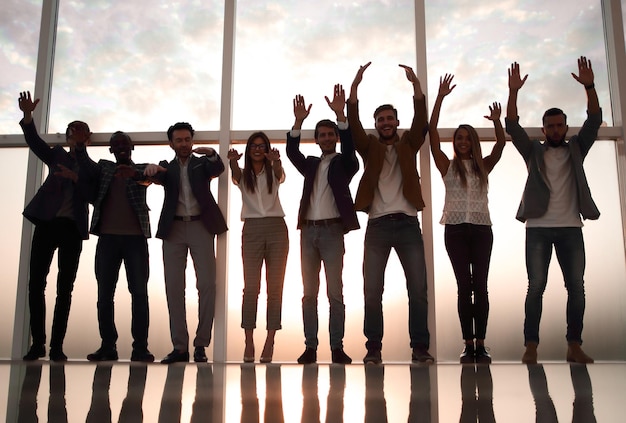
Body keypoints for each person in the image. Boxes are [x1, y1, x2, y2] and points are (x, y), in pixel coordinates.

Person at [506, 56, 601, 364]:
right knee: (536, 287)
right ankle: (530, 345)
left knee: (576, 287)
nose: (556, 130)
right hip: (537, 228)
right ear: (544, 130)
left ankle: (574, 344)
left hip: (572, 227)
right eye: (550, 126)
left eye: (560, 125)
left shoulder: (576, 147)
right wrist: (513, 92)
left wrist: (589, 86)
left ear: (565, 127)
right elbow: (511, 126)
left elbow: (595, 120)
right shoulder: (533, 150)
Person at [347, 62, 432, 364]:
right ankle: (373, 349)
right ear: (377, 124)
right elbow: (354, 124)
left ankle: (420, 348)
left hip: (408, 224)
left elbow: (422, 119)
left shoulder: (409, 143)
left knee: (418, 290)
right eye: (381, 119)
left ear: (396, 121)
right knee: (372, 290)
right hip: (378, 226)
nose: (385, 122)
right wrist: (355, 87)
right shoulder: (369, 147)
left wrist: (416, 87)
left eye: (389, 118)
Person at [429, 74, 505, 364]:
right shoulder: (446, 166)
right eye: (458, 138)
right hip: (456, 230)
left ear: (473, 142)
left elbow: (500, 145)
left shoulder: (483, 167)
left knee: (481, 286)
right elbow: (432, 132)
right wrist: (439, 98)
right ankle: (467, 343)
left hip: (482, 230)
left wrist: (497, 120)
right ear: (455, 142)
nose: (462, 142)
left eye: (466, 138)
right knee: (464, 286)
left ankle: (481, 345)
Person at [286, 84, 360, 364]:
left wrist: (342, 116)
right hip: (308, 231)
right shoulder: (311, 165)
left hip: (332, 231)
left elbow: (352, 150)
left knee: (335, 292)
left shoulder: (345, 163)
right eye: (322, 135)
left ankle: (337, 347)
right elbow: (293, 154)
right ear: (316, 139)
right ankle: (310, 347)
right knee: (308, 294)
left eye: (331, 134)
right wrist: (298, 122)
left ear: (336, 138)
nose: (327, 138)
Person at [144, 122, 228, 363]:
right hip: (174, 230)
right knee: (174, 289)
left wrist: (212, 153)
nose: (184, 144)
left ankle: (201, 345)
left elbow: (218, 167)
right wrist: (149, 169)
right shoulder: (166, 168)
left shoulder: (202, 164)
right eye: (179, 140)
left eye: (187, 139)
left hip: (201, 226)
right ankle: (180, 347)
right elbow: (149, 176)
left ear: (192, 141)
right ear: (171, 143)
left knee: (208, 286)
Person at [18, 91, 91, 361]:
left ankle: (57, 347)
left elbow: (93, 194)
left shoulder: (90, 167)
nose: (77, 136)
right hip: (47, 225)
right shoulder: (57, 156)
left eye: (81, 133)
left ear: (88, 138)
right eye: (72, 133)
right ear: (67, 138)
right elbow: (35, 143)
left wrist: (76, 177)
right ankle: (38, 343)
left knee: (65, 288)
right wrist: (28, 116)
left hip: (72, 229)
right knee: (36, 283)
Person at [76, 131, 155, 362]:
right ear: (110, 150)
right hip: (108, 240)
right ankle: (108, 346)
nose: (121, 147)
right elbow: (87, 166)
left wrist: (134, 174)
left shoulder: (140, 170)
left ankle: (140, 347)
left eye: (125, 143)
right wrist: (80, 148)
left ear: (132, 148)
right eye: (116, 144)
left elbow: (147, 177)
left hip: (135, 240)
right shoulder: (105, 169)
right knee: (104, 294)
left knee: (139, 294)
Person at [227, 132, 289, 364]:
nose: (258, 149)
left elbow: (280, 175)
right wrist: (233, 159)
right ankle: (249, 340)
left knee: (275, 288)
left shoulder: (274, 171)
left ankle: (270, 340)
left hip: (276, 229)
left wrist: (276, 160)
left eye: (262, 146)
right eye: (254, 145)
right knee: (251, 287)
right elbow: (234, 174)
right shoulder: (243, 176)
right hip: (251, 230)